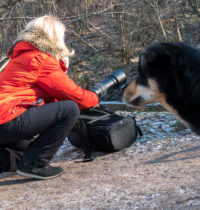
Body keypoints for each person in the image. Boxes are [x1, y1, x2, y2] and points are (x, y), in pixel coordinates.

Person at [0, 15, 99, 179]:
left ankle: (18, 161)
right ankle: (35, 165)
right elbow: (74, 96)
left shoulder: (18, 57)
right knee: (69, 109)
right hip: (7, 119)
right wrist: (95, 97)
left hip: (4, 121)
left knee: (26, 152)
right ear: (55, 38)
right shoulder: (39, 59)